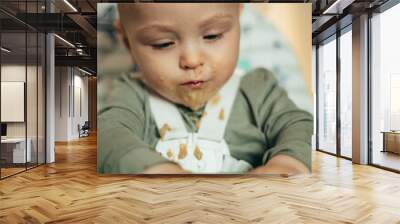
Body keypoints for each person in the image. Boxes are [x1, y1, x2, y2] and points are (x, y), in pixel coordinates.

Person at [97, 3, 313, 175]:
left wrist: (288, 162)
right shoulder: (130, 94)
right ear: (126, 41)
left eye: (212, 35)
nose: (192, 60)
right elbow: (110, 136)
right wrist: (157, 171)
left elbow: (294, 124)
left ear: (239, 18)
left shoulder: (259, 88)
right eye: (162, 43)